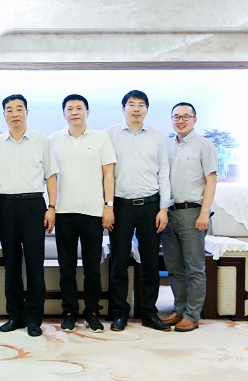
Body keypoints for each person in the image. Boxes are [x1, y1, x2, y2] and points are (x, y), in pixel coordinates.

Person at [0, 94, 58, 337]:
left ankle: (34, 318)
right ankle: (15, 315)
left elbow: (51, 175)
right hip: (6, 205)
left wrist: (52, 207)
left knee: (35, 264)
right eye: (9, 109)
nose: (15, 113)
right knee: (11, 263)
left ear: (27, 112)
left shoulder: (41, 140)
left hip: (34, 205)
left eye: (19, 109)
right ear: (4, 115)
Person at [105, 90, 172, 332]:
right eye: (131, 104)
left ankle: (149, 313)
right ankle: (120, 312)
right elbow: (105, 174)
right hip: (121, 206)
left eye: (141, 105)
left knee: (151, 261)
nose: (136, 109)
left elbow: (164, 174)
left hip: (151, 206)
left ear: (147, 109)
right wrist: (107, 206)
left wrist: (163, 208)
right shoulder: (109, 135)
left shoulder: (157, 137)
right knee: (119, 262)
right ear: (123, 109)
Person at [49, 94, 116, 333]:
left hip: (93, 212)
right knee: (66, 267)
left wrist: (108, 206)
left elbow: (108, 175)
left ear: (87, 112)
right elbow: (50, 177)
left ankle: (92, 313)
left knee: (92, 268)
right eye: (70, 108)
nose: (74, 112)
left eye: (79, 108)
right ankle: (69, 313)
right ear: (64, 113)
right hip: (64, 212)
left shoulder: (101, 138)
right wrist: (51, 207)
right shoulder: (54, 140)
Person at [160, 102, 217, 332]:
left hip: (193, 212)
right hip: (169, 213)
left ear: (194, 119)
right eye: (176, 116)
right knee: (174, 267)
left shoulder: (204, 145)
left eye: (186, 116)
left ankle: (192, 315)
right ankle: (179, 309)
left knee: (194, 268)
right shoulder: (167, 146)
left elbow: (211, 180)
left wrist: (204, 212)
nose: (180, 120)